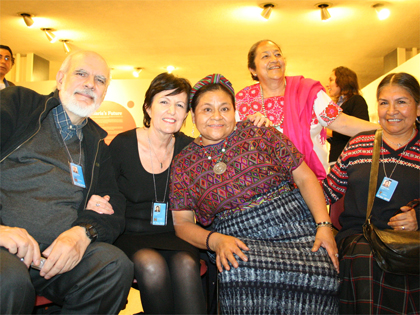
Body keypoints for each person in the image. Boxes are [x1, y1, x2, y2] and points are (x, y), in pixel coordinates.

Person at [87, 72, 269, 315]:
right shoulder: (123, 144)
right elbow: (103, 187)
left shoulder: (190, 148)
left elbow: (224, 140)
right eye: (164, 102)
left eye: (180, 104)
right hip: (130, 234)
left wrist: (252, 123)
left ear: (187, 115)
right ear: (148, 107)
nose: (172, 111)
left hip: (176, 233)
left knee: (185, 264)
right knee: (151, 266)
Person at [170, 74, 340, 314]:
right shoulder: (184, 163)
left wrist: (324, 225)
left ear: (235, 111)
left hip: (295, 228)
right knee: (237, 269)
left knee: (322, 270)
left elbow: (304, 177)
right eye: (207, 109)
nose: (216, 116)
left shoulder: (261, 132)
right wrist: (215, 241)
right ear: (193, 115)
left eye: (225, 108)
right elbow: (182, 223)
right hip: (238, 240)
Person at [0, 50, 133, 314]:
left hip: (58, 258)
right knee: (9, 280)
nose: (90, 84)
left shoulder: (96, 143)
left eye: (100, 80)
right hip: (6, 249)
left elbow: (113, 202)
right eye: (81, 73)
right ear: (60, 78)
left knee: (114, 265)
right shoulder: (18, 106)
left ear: (104, 93)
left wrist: (83, 232)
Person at [323, 72, 420, 314]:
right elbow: (327, 193)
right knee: (365, 257)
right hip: (359, 240)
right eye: (384, 103)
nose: (391, 111)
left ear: (418, 108)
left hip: (411, 246)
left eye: (401, 102)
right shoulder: (358, 145)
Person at [235, 39, 378, 180]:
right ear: (252, 69)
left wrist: (386, 130)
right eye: (265, 56)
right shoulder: (242, 101)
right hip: (264, 191)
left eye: (277, 54)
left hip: (311, 185)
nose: (274, 59)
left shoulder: (309, 92)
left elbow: (342, 123)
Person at [326, 66, 370, 163]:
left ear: (342, 80)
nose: (327, 85)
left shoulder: (356, 101)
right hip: (337, 159)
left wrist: (330, 132)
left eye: (331, 80)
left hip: (351, 160)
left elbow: (361, 131)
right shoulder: (337, 106)